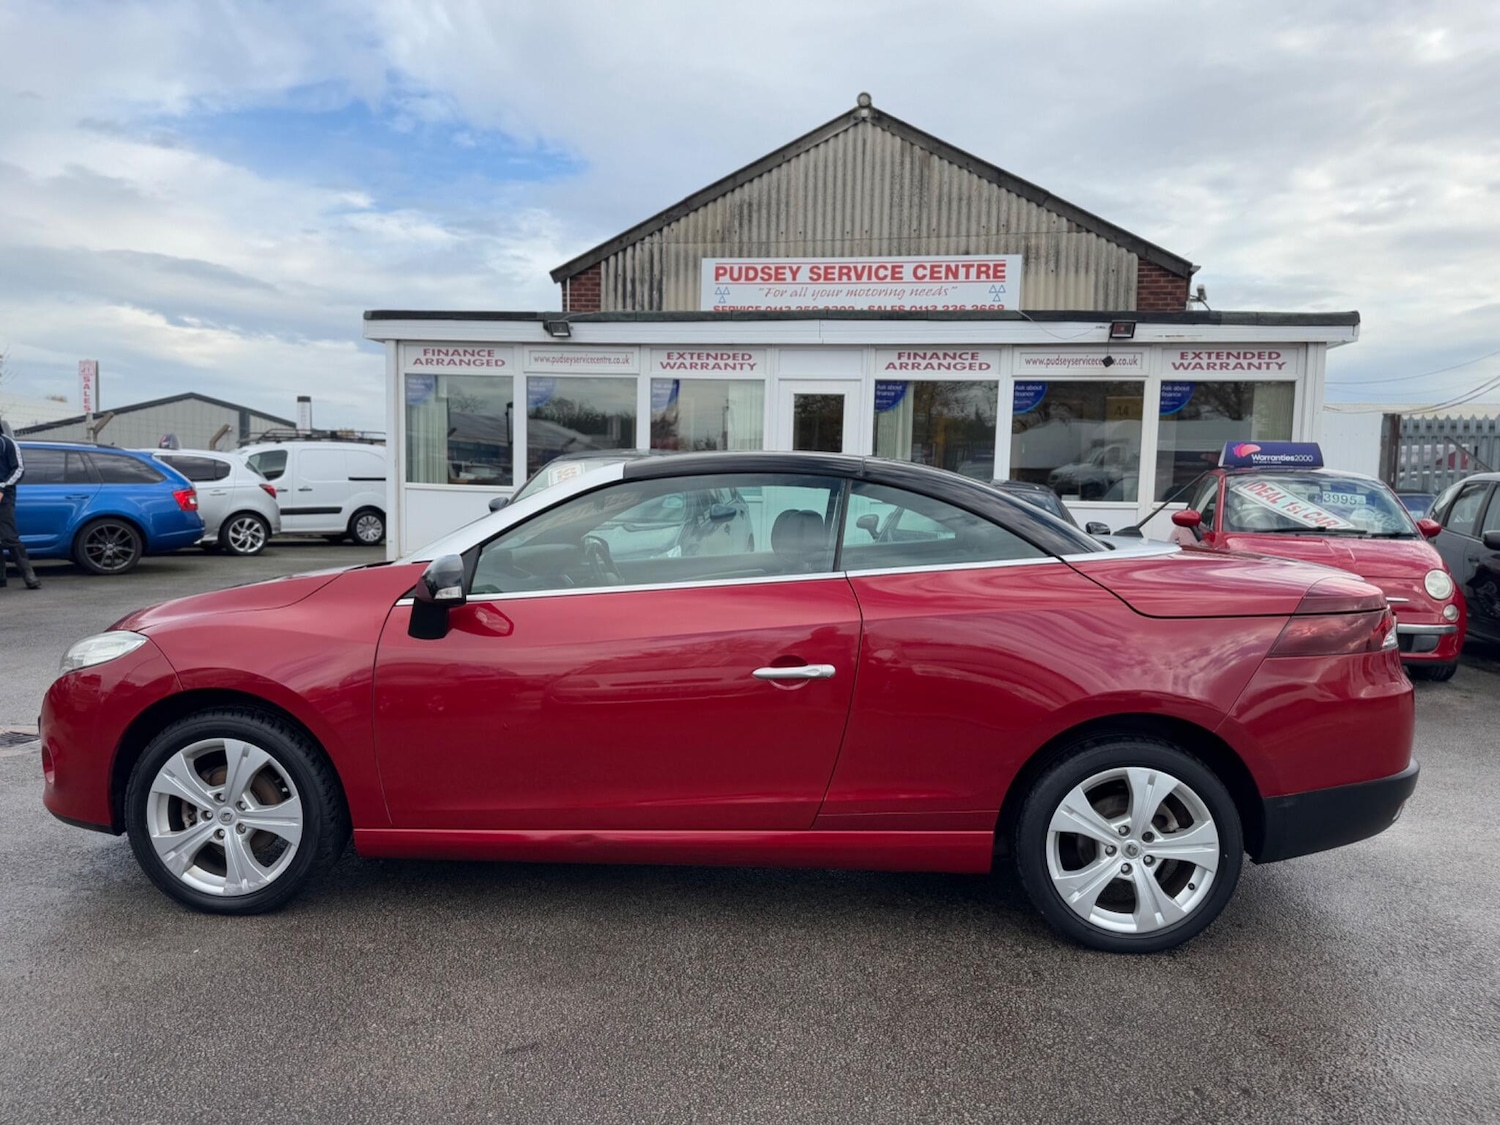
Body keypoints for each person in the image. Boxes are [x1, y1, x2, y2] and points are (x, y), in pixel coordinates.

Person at [0, 414, 41, 590]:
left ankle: (29, 576)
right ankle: (1, 578)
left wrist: (2, 487)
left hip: (4, 496)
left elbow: (19, 469)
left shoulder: (7, 444)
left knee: (9, 536)